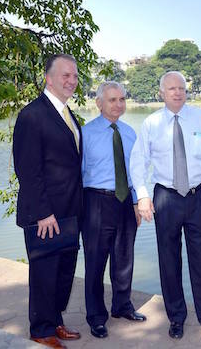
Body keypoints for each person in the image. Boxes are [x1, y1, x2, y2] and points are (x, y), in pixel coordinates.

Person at [130, 71, 201, 340]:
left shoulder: (200, 117)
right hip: (166, 198)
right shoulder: (151, 123)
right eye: (172, 89)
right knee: (169, 259)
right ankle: (176, 317)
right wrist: (142, 196)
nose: (177, 92)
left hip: (197, 196)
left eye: (182, 88)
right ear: (162, 93)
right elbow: (139, 162)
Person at [13, 54, 83, 349]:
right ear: (48, 78)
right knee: (44, 272)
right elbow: (28, 170)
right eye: (65, 75)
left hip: (69, 211)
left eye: (75, 76)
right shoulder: (32, 115)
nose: (72, 81)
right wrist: (43, 213)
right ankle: (41, 330)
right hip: (45, 214)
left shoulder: (68, 114)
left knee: (63, 271)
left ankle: (55, 321)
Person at [81, 81, 146, 339]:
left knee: (124, 258)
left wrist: (137, 202)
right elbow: (77, 173)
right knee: (95, 262)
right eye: (112, 100)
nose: (119, 104)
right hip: (96, 202)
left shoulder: (130, 133)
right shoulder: (85, 134)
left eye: (122, 99)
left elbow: (136, 172)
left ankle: (122, 306)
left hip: (125, 201)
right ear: (99, 103)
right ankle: (96, 317)